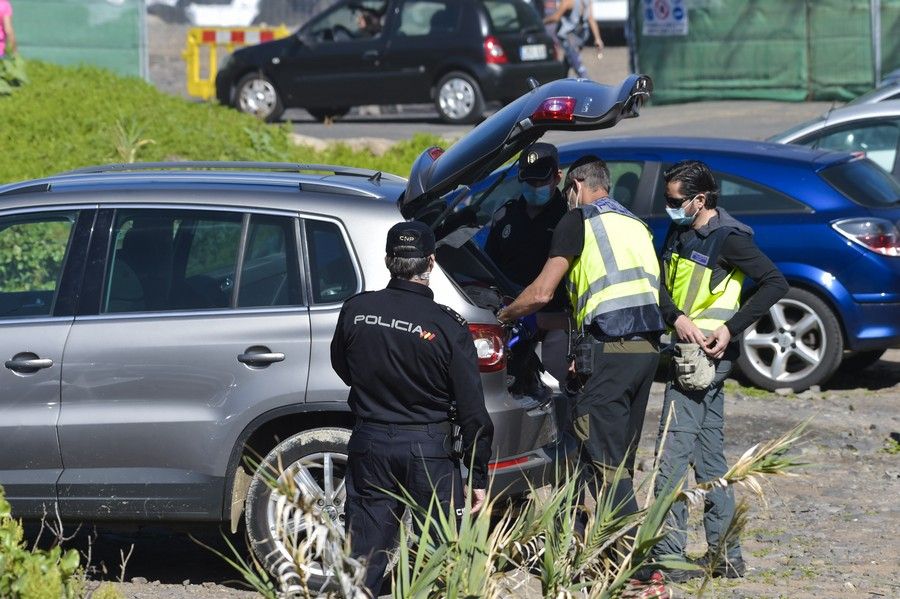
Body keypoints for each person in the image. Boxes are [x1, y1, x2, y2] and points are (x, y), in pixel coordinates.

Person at [497, 155, 665, 521]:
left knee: (602, 455)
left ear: (574, 187)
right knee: (619, 454)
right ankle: (602, 550)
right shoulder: (635, 224)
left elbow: (541, 292)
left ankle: (636, 564)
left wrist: (504, 317)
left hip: (612, 350)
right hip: (647, 351)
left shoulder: (577, 220)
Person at [331, 221, 494, 597]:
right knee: (442, 558)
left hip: (370, 442)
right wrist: (478, 477)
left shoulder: (356, 310)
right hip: (429, 451)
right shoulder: (449, 326)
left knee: (363, 558)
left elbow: (344, 369)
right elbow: (473, 413)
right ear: (431, 262)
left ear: (389, 260)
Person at [650, 160, 788, 582]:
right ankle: (728, 557)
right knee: (710, 460)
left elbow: (774, 283)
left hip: (703, 360)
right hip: (686, 351)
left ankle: (668, 560)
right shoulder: (680, 231)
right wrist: (675, 317)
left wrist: (730, 329)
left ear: (700, 199)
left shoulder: (729, 239)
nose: (669, 207)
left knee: (669, 460)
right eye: (667, 199)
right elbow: (660, 284)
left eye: (676, 201)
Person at [484, 143, 570, 388]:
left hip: (554, 325)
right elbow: (490, 269)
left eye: (540, 182)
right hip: (512, 323)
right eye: (528, 181)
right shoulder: (505, 216)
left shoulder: (568, 218)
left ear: (557, 177)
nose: (533, 188)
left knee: (556, 392)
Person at [543, 0, 603, 78]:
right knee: (567, 62)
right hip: (581, 36)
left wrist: (541, 21)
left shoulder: (567, 1)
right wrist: (597, 38)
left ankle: (589, 85)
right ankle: (561, 81)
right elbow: (591, 18)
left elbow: (556, 17)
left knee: (578, 66)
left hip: (570, 38)